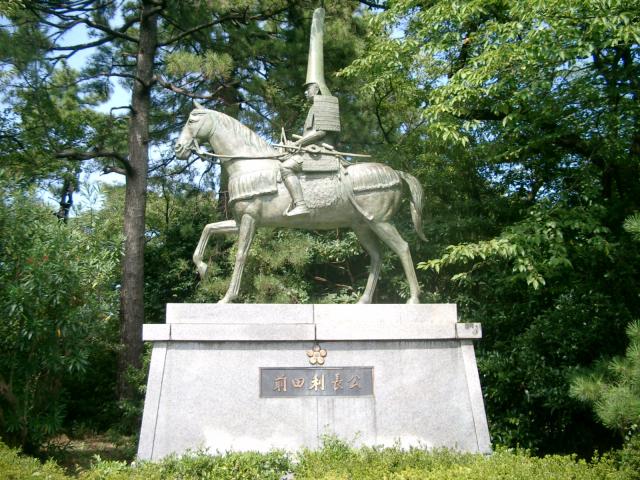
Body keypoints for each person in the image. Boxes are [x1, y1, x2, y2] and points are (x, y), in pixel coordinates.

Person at [280, 7, 341, 217]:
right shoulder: (314, 106)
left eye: (308, 88)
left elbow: (321, 132)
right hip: (311, 148)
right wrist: (295, 142)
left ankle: (301, 204)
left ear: (317, 88)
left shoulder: (326, 101)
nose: (306, 92)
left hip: (321, 150)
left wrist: (298, 143)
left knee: (286, 168)